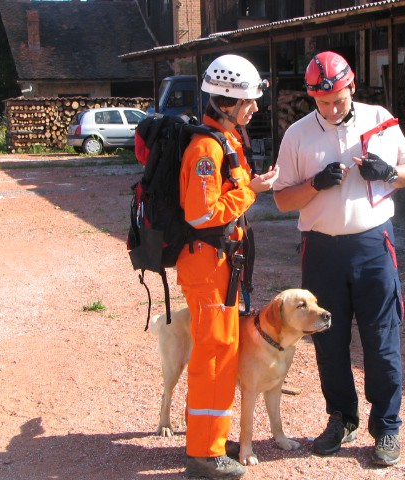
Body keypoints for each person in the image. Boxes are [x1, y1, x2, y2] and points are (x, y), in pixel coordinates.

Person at [272, 51, 405, 467]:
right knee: (329, 342)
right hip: (321, 251)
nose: (333, 109)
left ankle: (387, 427)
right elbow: (283, 199)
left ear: (351, 86)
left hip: (374, 247)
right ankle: (341, 418)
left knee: (381, 339)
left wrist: (387, 173)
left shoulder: (380, 119)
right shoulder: (298, 135)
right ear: (311, 97)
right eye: (323, 102)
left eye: (338, 99)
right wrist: (315, 185)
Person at [176, 54, 279, 479]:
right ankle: (203, 453)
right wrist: (251, 193)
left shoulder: (226, 138)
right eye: (247, 102)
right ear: (224, 102)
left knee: (224, 351)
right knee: (214, 356)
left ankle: (213, 440)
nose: (254, 108)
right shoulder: (205, 148)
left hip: (223, 265)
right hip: (207, 266)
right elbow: (201, 216)